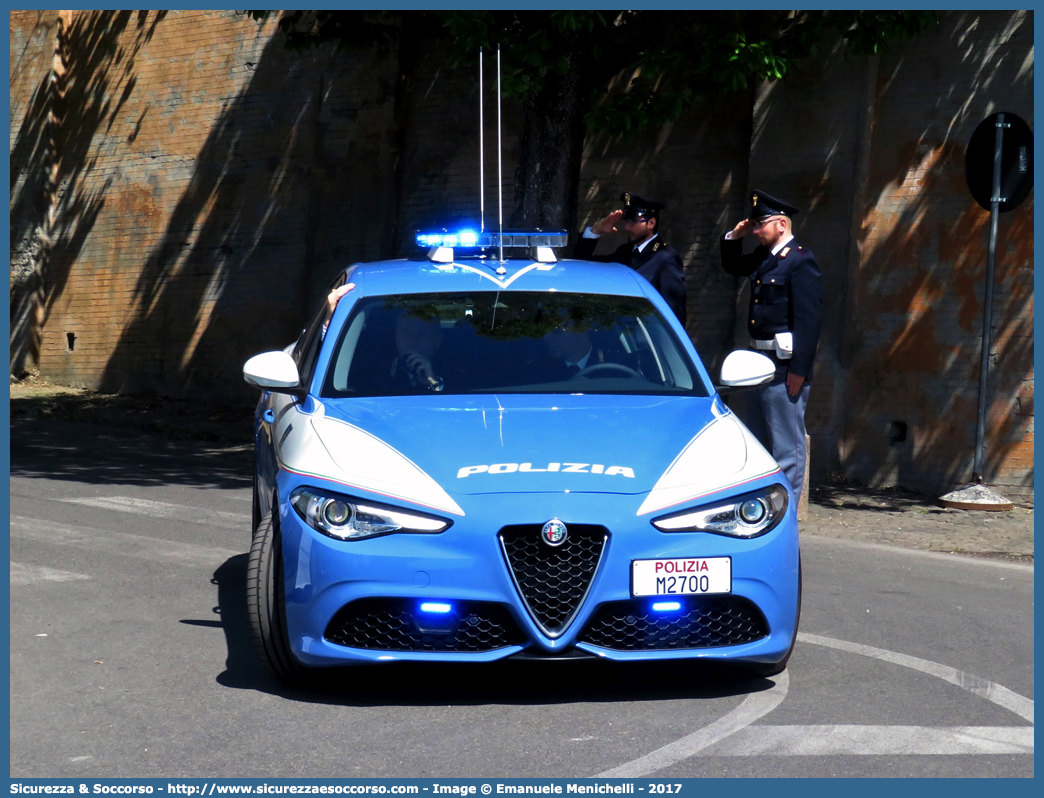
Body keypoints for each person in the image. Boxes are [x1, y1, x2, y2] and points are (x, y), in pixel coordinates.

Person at [721, 189, 822, 502]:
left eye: (759, 223)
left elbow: (809, 320)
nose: (755, 230)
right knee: (758, 442)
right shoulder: (765, 257)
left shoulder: (800, 261)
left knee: (786, 447)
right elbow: (734, 266)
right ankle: (764, 508)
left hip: (783, 367)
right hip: (757, 361)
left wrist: (800, 370)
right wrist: (732, 237)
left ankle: (787, 512)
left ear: (781, 224)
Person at [574, 192, 687, 324]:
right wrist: (596, 231)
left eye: (633, 221)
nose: (627, 226)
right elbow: (581, 265)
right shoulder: (624, 252)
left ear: (651, 223)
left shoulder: (666, 259)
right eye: (626, 220)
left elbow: (674, 314)